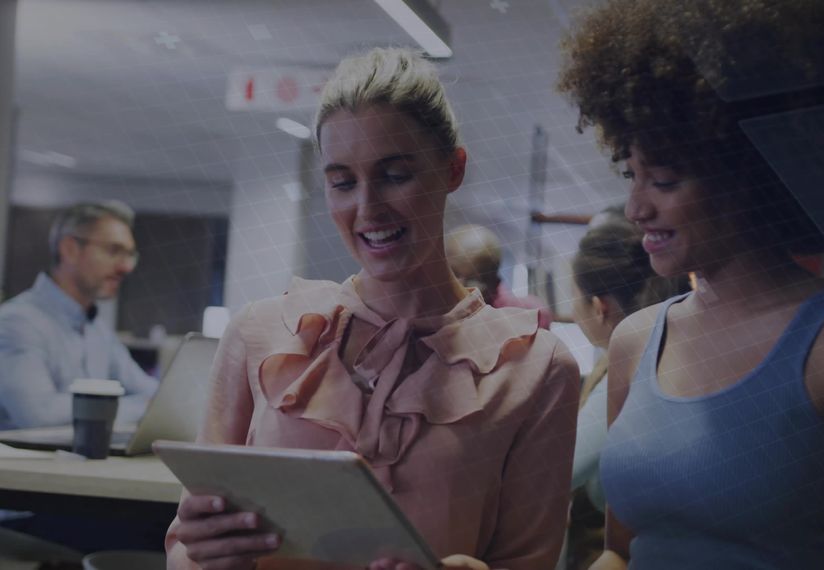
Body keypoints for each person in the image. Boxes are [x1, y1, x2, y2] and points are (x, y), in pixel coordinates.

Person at [165, 48, 579, 570]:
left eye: (395, 174)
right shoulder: (261, 334)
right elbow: (184, 549)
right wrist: (207, 558)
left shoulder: (535, 369)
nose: (367, 208)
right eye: (342, 182)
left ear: (452, 168)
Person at [557, 0, 824, 568]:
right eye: (631, 176)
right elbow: (621, 556)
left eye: (664, 180)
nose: (635, 208)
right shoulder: (637, 340)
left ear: (752, 174)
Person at [566, 217, 688, 569]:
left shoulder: (624, 374)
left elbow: (558, 471)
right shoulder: (668, 350)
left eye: (575, 299)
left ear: (599, 307)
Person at [0, 201, 157, 430]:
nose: (126, 267)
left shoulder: (96, 329)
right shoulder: (16, 323)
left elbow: (152, 392)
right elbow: (38, 413)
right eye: (114, 251)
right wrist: (142, 406)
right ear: (70, 249)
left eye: (129, 255)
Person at [445, 224, 553, 329]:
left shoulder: (530, 317)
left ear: (494, 281)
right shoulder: (438, 312)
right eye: (453, 274)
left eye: (473, 279)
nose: (460, 286)